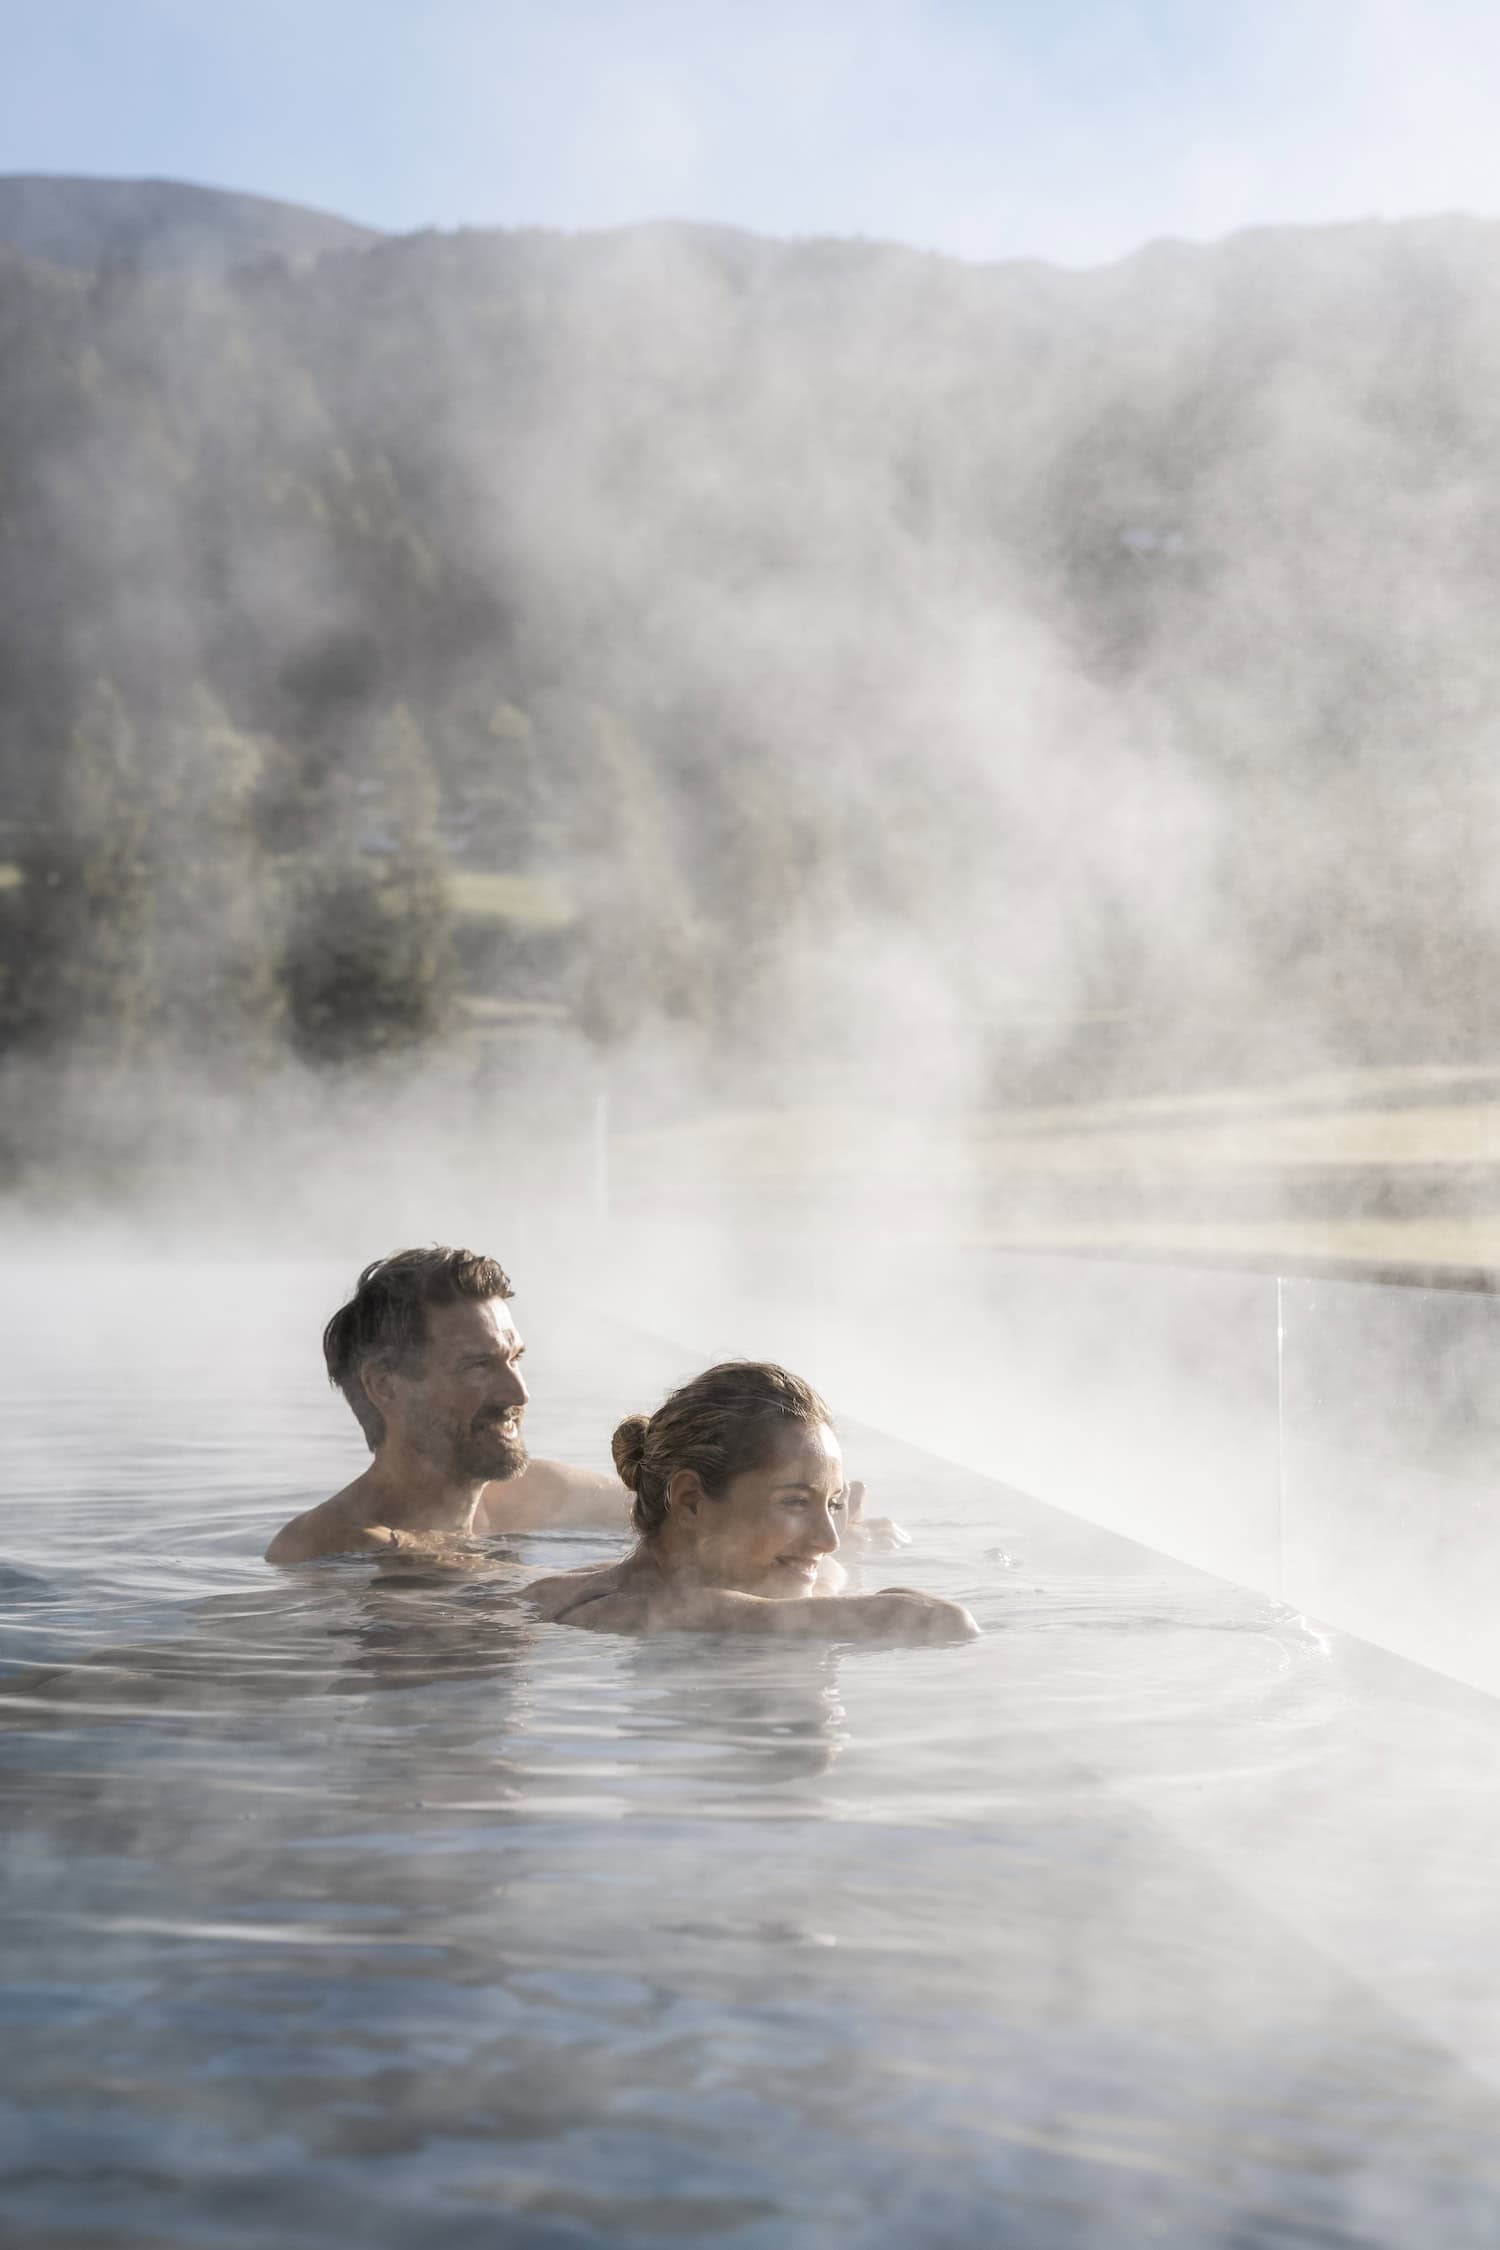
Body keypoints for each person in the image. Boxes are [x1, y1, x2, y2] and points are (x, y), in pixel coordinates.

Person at [527, 1361, 978, 1643]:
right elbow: (940, 1622)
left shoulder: (794, 1583)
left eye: (833, 1504)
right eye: (796, 1502)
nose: (829, 1542)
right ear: (690, 1502)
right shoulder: (618, 1612)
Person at [265, 1245, 618, 1564]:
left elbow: (656, 1505)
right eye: (479, 1366)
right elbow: (523, 1600)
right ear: (386, 1387)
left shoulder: (539, 1493)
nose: (518, 1394)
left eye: (514, 1359)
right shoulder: (328, 1544)